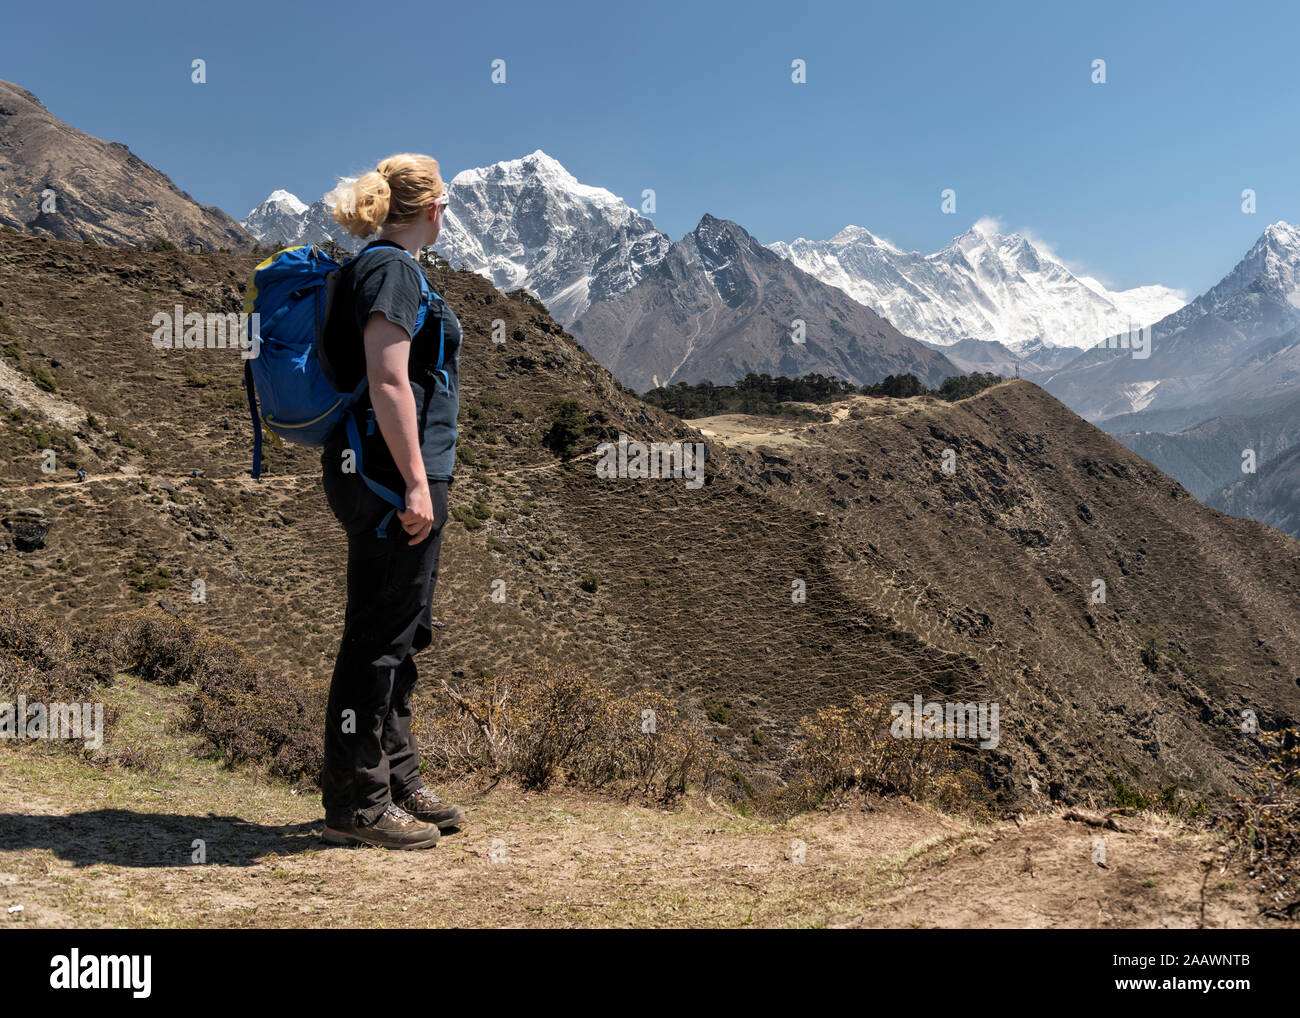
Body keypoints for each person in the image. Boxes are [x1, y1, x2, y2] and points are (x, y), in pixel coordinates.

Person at [317, 153, 465, 850]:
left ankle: (397, 778)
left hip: (390, 471)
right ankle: (357, 805)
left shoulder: (385, 265)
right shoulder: (393, 269)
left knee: (401, 635)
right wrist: (412, 481)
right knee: (376, 641)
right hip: (388, 478)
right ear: (432, 208)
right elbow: (390, 379)